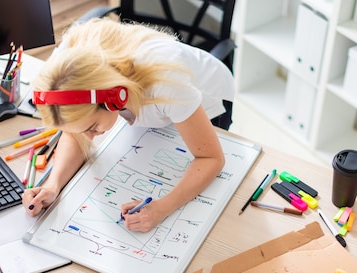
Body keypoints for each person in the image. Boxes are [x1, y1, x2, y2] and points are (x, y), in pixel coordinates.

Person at [22, 17, 234, 232]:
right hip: (150, 101)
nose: (88, 137)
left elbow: (210, 157)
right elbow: (75, 131)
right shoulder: (64, 67)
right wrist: (53, 185)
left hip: (208, 99)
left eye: (92, 127)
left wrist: (161, 208)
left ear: (114, 98)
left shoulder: (166, 82)